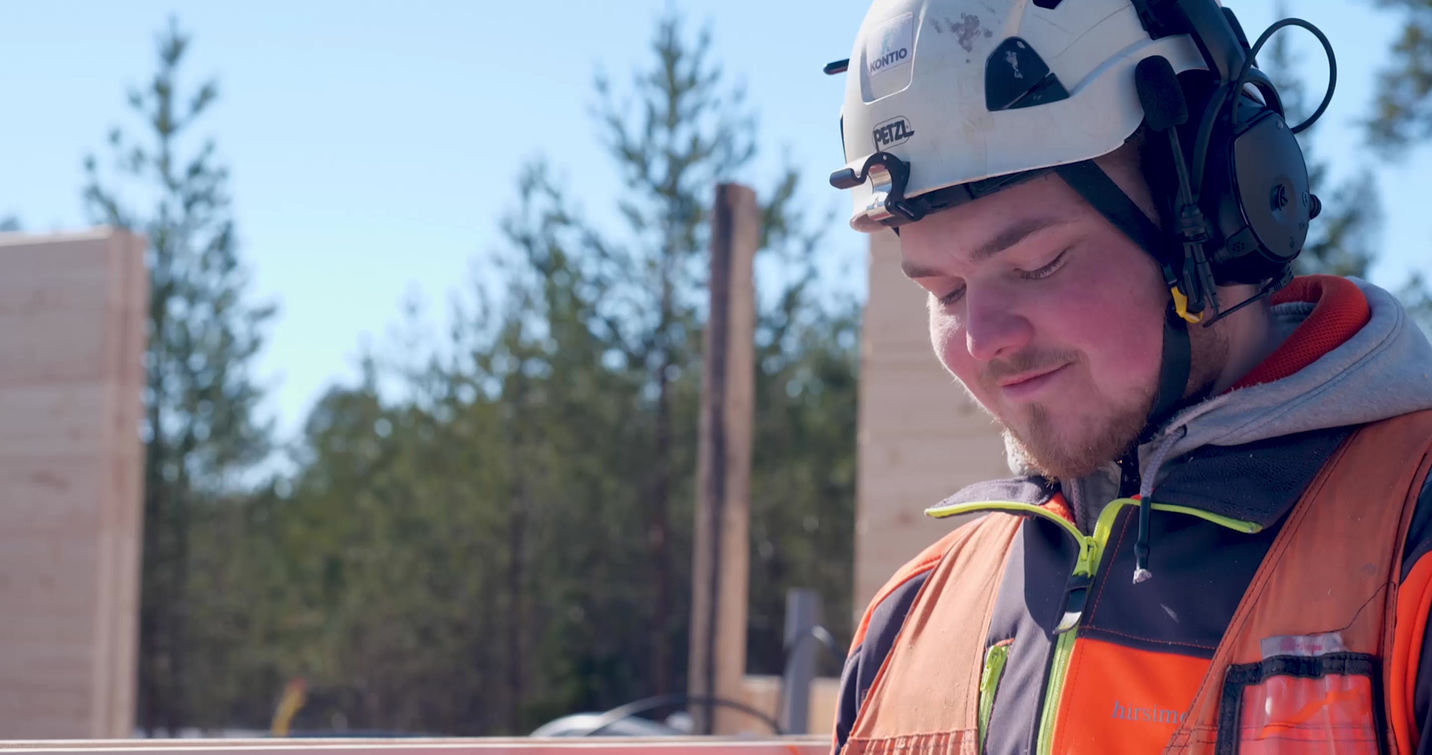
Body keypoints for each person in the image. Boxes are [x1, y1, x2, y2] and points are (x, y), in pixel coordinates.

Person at [825, 0, 1432, 753]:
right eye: (944, 292)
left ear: (1215, 213)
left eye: (1037, 264)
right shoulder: (910, 621)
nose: (981, 340)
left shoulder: (1413, 554)